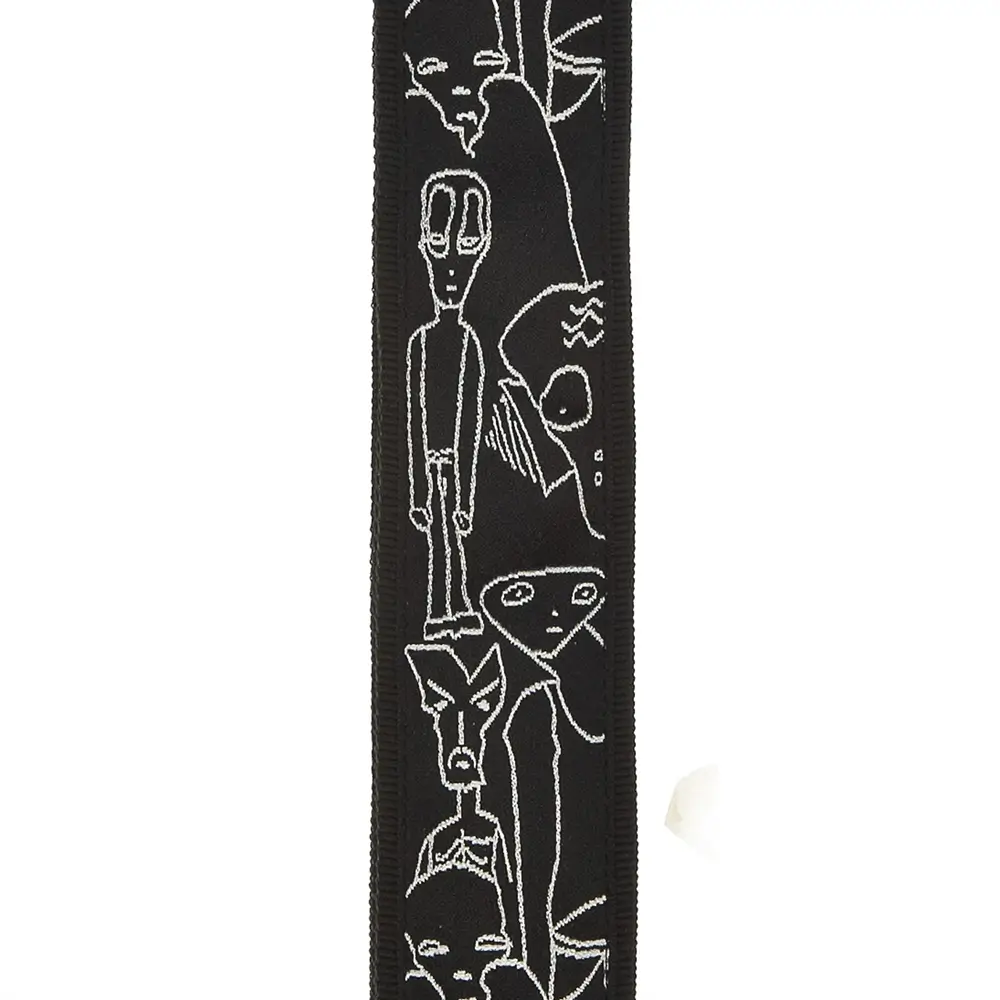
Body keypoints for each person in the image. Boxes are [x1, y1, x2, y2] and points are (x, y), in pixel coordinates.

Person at [407, 170, 490, 641]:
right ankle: (437, 610)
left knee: (453, 539)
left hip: (455, 470)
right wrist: (418, 491)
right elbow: (414, 420)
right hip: (432, 467)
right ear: (424, 247)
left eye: (467, 247)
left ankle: (457, 604)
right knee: (437, 539)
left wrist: (467, 497)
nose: (453, 269)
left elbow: (471, 424)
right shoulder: (418, 343)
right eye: (439, 245)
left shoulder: (470, 344)